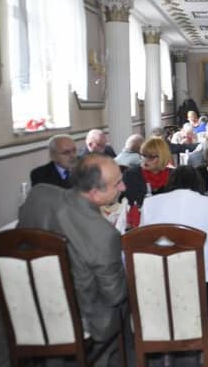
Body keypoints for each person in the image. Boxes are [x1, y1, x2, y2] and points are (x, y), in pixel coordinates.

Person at [18, 155, 127, 364]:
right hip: (79, 319)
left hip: (26, 307)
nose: (123, 187)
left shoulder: (39, 194)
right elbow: (114, 296)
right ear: (94, 193)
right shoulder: (104, 234)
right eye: (117, 183)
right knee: (124, 301)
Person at [141, 166, 208, 315]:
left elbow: (143, 252)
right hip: (202, 296)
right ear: (199, 184)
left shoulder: (150, 204)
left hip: (159, 295)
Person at [122, 137, 174, 206]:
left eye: (151, 157)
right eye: (143, 155)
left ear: (162, 157)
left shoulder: (173, 176)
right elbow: (134, 203)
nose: (145, 160)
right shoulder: (131, 175)